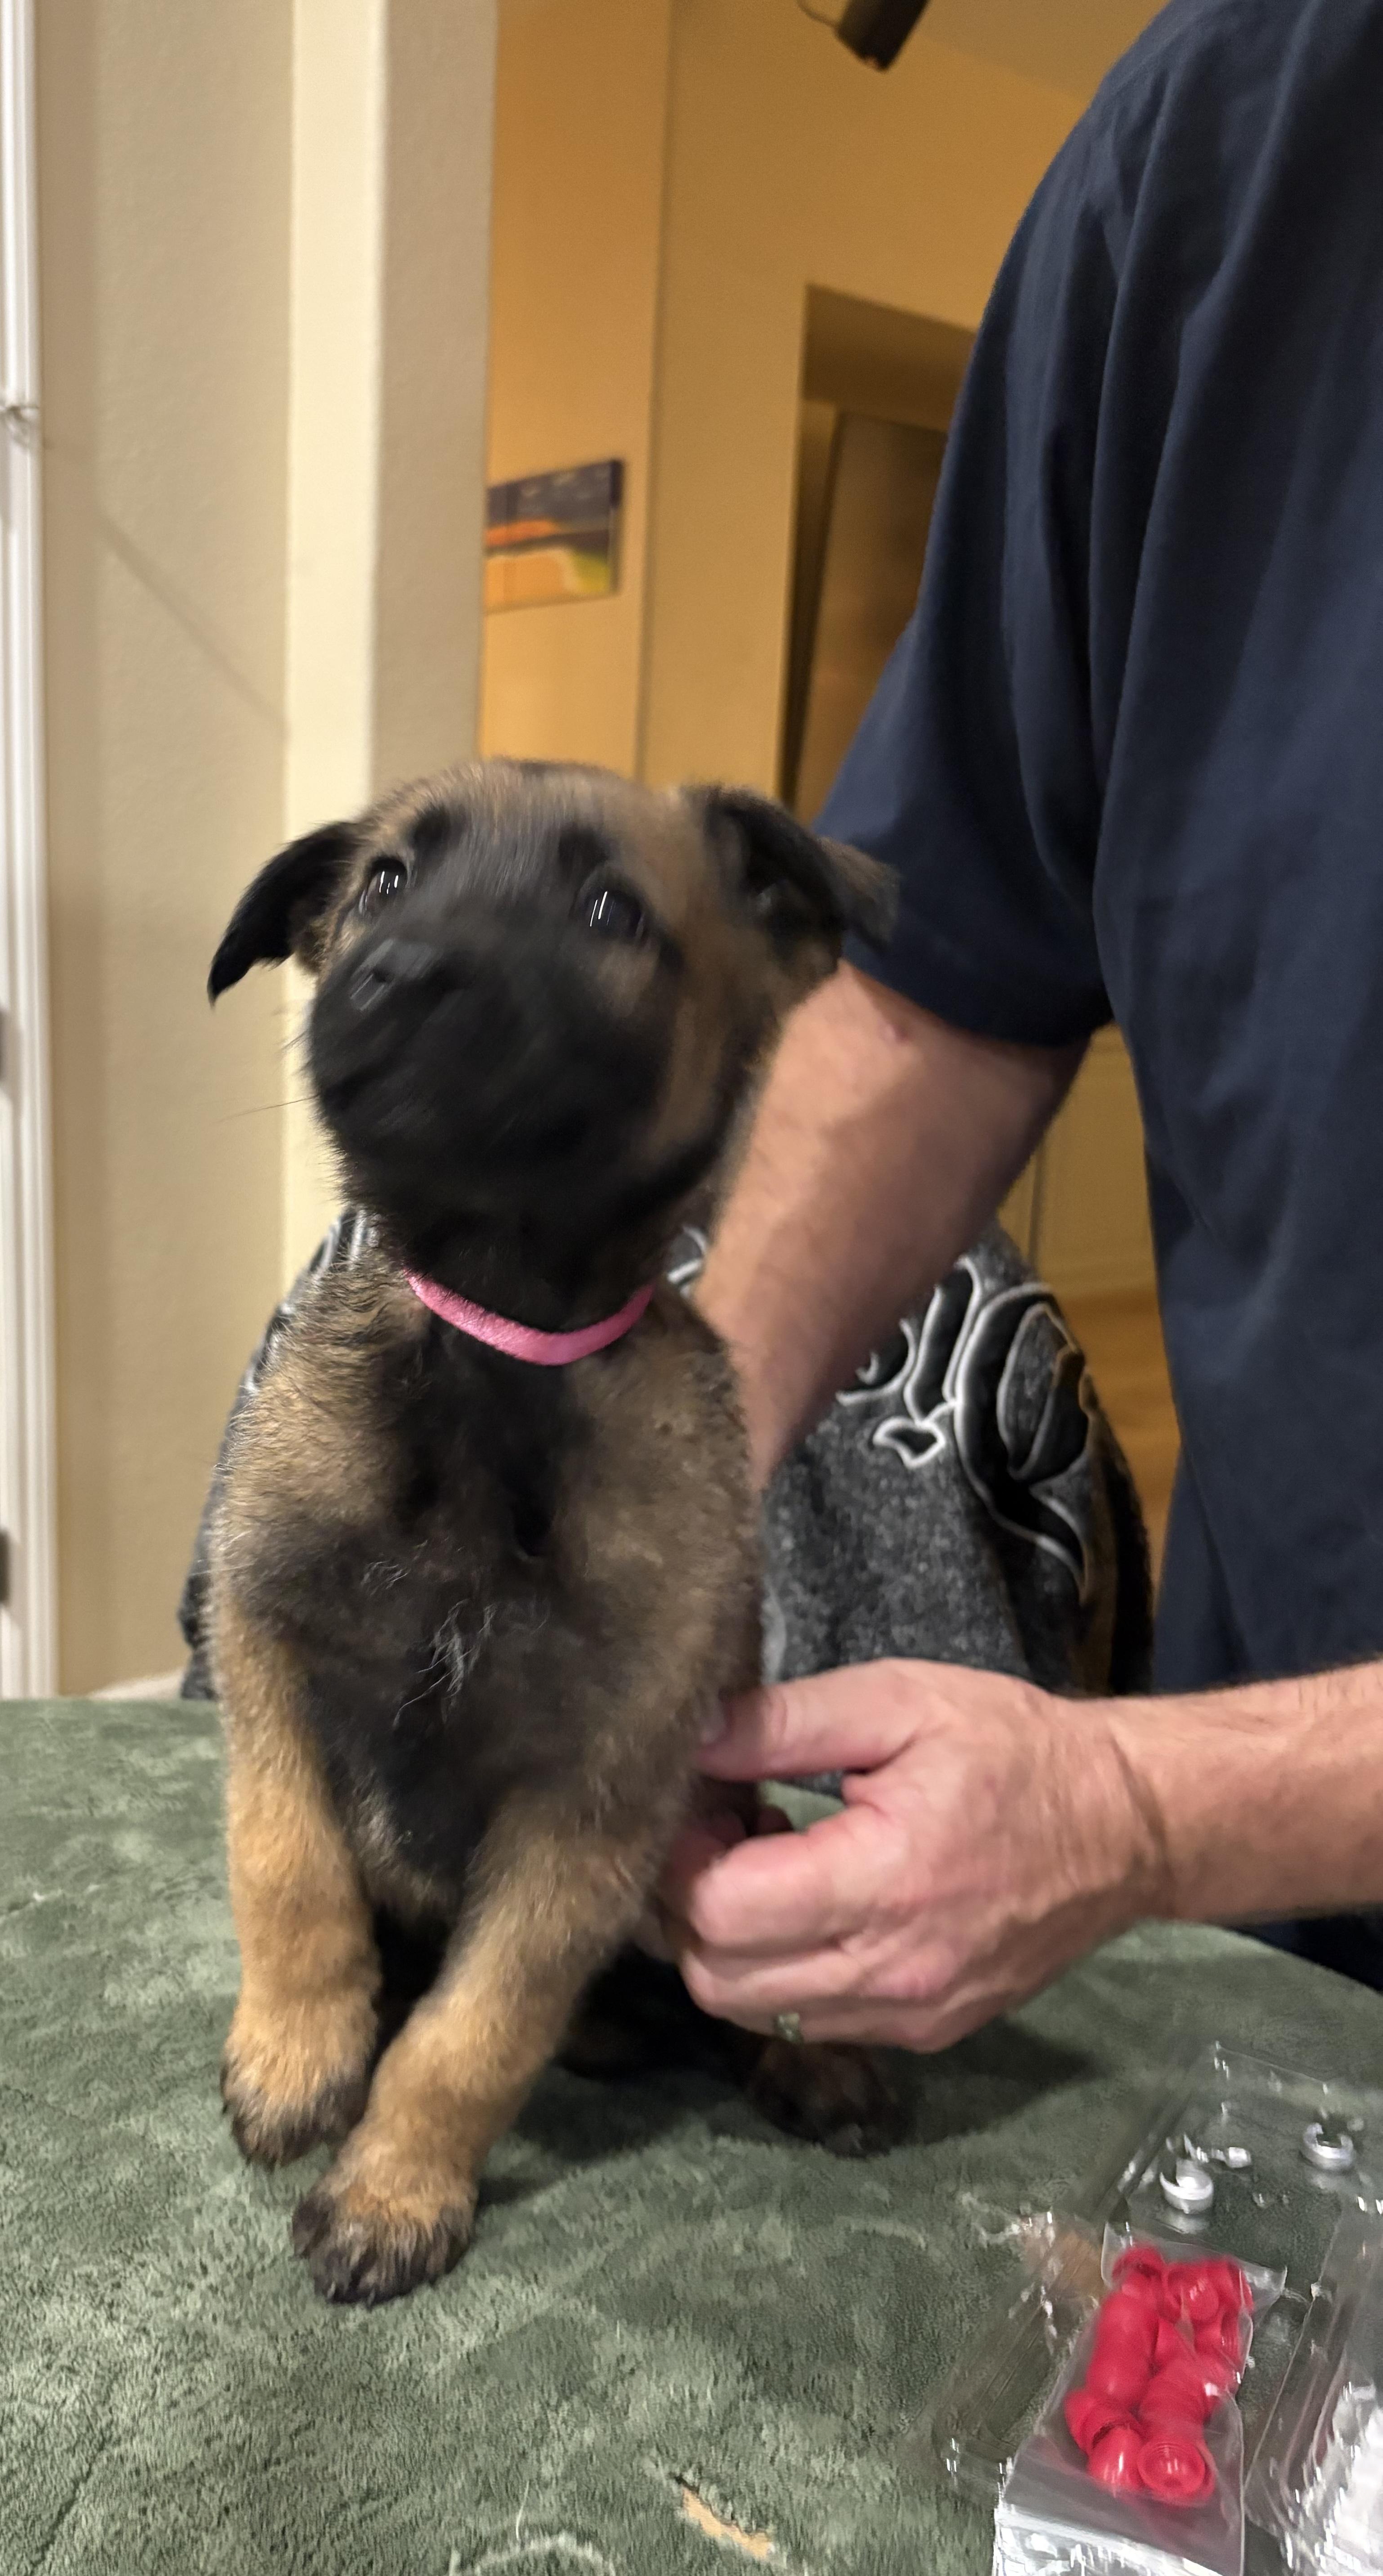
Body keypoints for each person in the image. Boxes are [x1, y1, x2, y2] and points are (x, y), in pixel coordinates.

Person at [665, 0, 1383, 2042]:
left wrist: (1145, 1809)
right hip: (1297, 1946)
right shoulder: (1223, 146)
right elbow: (937, 985)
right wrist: (667, 1504)